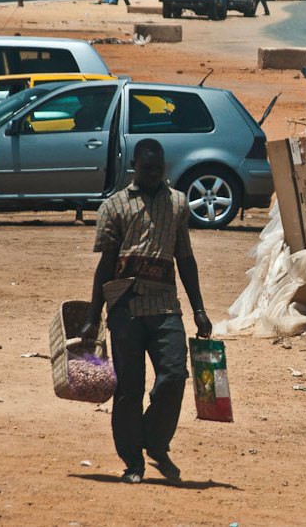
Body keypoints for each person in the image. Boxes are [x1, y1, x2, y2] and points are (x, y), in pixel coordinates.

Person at [79, 139, 213, 484]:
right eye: (147, 168)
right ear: (134, 167)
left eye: (159, 168)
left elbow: (185, 259)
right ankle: (132, 461)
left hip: (166, 307)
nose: (154, 173)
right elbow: (105, 266)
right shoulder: (114, 207)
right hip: (125, 307)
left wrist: (199, 309)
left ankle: (154, 440)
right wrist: (93, 317)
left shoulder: (179, 204)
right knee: (129, 389)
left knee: (174, 376)